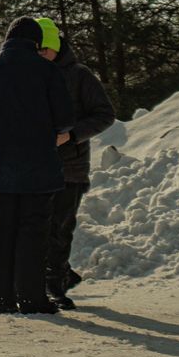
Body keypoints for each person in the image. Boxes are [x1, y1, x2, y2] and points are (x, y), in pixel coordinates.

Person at [0, 19, 75, 314]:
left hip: (2, 161)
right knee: (34, 229)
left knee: (5, 228)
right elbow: (66, 117)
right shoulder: (47, 70)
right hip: (39, 162)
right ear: (36, 41)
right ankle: (31, 297)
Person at [35, 19, 116, 310]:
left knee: (59, 227)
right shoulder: (30, 76)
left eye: (44, 49)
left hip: (70, 166)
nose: (40, 55)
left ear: (56, 48)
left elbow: (104, 115)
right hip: (36, 165)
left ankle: (55, 283)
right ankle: (55, 275)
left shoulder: (79, 76)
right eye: (35, 50)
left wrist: (72, 135)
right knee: (39, 227)